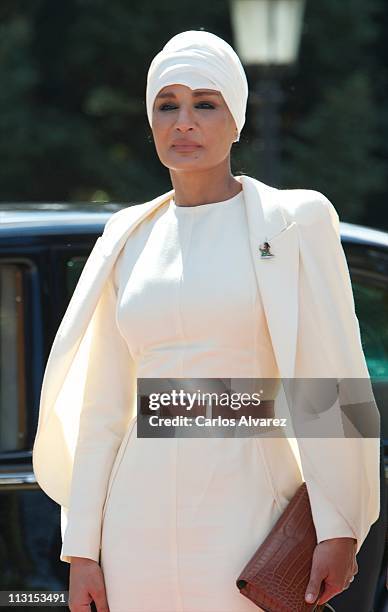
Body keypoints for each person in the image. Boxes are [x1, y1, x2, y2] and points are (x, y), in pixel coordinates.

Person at [32, 31, 381, 612]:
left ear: (237, 120)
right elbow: (103, 406)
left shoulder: (294, 220)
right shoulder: (127, 235)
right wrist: (83, 550)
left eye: (205, 103)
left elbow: (334, 382)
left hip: (249, 519)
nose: (183, 121)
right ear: (150, 124)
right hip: (134, 527)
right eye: (166, 105)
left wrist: (340, 526)